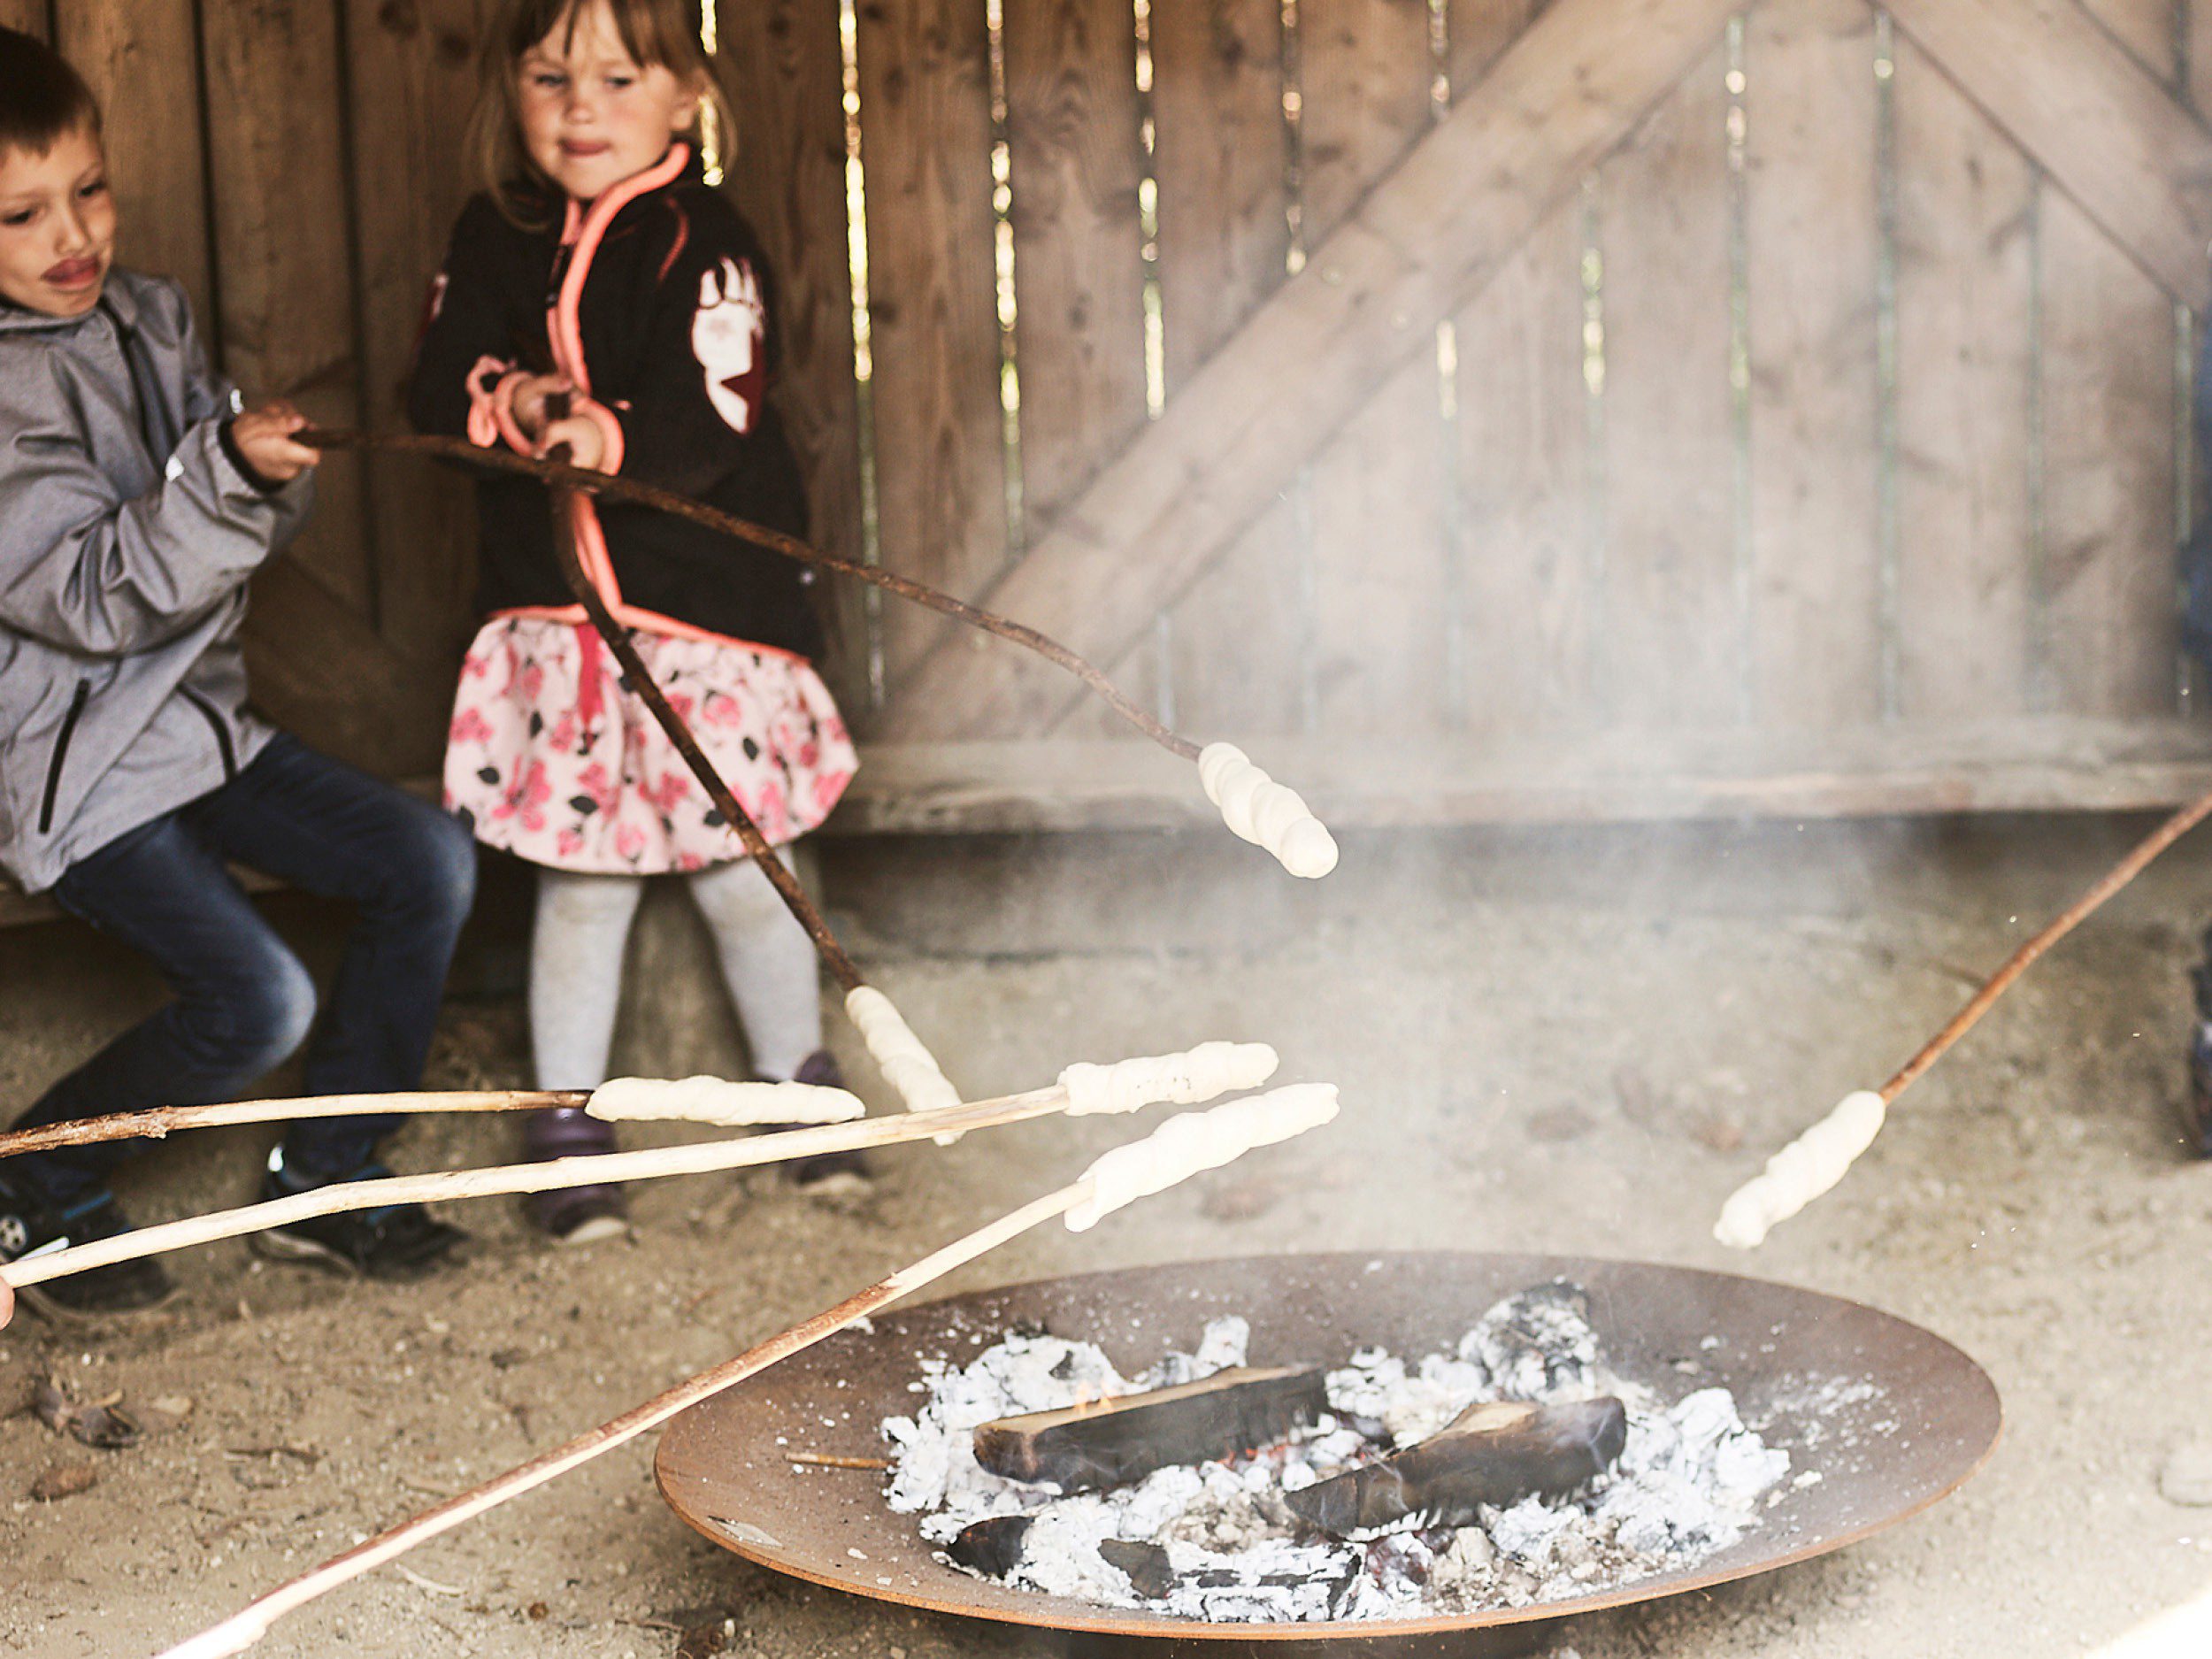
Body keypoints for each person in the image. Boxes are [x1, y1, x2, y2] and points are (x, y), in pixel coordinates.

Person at [0, 27, 477, 1319]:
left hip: (202, 731)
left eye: (89, 189)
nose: (71, 236)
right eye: (23, 215)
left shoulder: (150, 316)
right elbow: (89, 596)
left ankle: (326, 1175)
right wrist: (225, 475)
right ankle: (35, 1174)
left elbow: (247, 521)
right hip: (81, 773)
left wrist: (255, 465)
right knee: (262, 1001)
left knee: (428, 857)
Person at [410, 0, 862, 1243]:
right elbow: (437, 379)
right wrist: (513, 400)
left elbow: (718, 409)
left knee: (740, 868)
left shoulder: (704, 244)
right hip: (562, 632)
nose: (580, 108)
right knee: (582, 884)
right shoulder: (494, 234)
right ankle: (567, 1124)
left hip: (701, 624)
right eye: (550, 77)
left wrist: (608, 438)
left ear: (686, 95)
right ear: (512, 86)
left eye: (618, 79)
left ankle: (801, 1091)